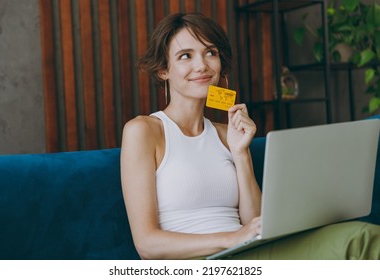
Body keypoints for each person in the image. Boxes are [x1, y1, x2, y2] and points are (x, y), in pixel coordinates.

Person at [120, 12, 380, 260]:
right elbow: (147, 244)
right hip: (193, 260)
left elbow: (255, 223)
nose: (201, 65)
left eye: (210, 52)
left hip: (244, 250)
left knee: (360, 236)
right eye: (185, 56)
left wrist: (241, 152)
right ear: (163, 70)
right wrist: (231, 238)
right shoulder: (144, 131)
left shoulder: (226, 134)